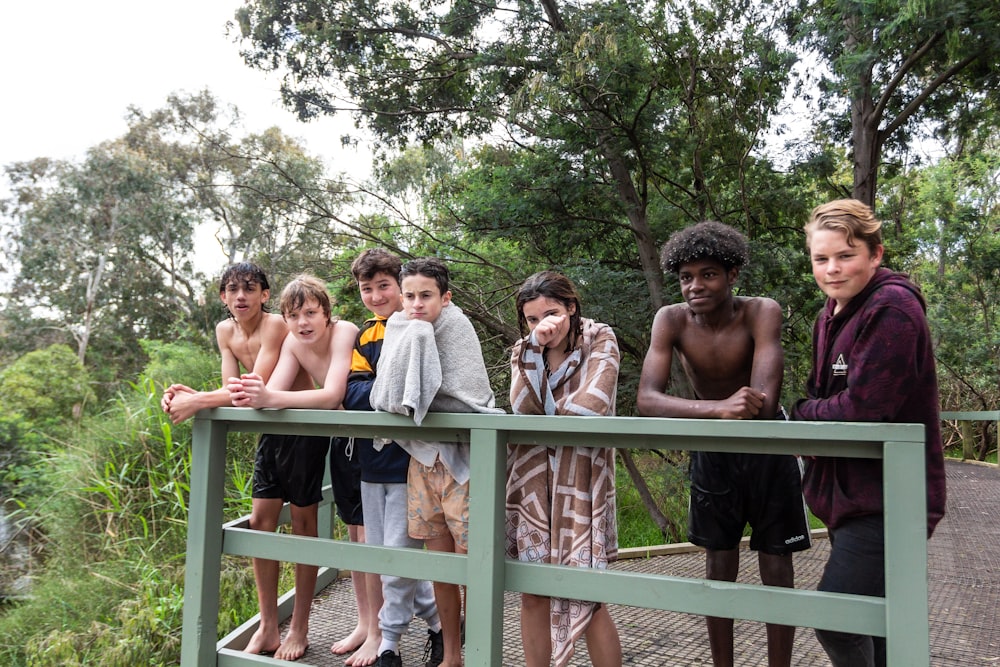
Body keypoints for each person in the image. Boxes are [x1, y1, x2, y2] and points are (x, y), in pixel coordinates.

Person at [635, 221, 811, 667]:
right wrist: (716, 409)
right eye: (686, 277)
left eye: (708, 274)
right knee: (718, 563)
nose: (695, 286)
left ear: (732, 275)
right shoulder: (670, 319)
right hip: (713, 447)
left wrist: (733, 407)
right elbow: (646, 399)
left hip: (769, 448)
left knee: (777, 563)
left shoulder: (760, 311)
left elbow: (764, 405)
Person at [792, 199, 947, 667]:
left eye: (846, 255)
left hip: (889, 500)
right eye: (822, 259)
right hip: (848, 497)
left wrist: (801, 413)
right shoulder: (832, 312)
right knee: (877, 623)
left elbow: (865, 409)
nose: (833, 269)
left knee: (837, 619)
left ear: (875, 253)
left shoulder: (893, 309)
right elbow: (831, 395)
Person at [370, 257, 503, 667]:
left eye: (425, 295)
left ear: (445, 297)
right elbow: (387, 392)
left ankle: (481, 652)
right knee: (440, 563)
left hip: (464, 459)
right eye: (408, 296)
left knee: (472, 561)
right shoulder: (401, 328)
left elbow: (464, 392)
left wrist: (423, 337)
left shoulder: (455, 326)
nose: (415, 304)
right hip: (423, 460)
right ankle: (453, 655)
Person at [227, 274, 360, 662]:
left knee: (307, 525)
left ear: (327, 313)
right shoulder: (290, 341)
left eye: (311, 313)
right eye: (294, 315)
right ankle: (268, 626)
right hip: (281, 434)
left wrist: (270, 396)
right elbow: (272, 394)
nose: (303, 322)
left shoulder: (344, 331)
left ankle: (299, 627)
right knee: (259, 521)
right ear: (284, 318)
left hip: (331, 434)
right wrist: (258, 396)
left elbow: (333, 393)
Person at [506, 271, 623, 667]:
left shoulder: (600, 337)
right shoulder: (524, 350)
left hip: (582, 480)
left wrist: (550, 415)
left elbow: (594, 403)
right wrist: (534, 351)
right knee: (532, 591)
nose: (543, 325)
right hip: (534, 485)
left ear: (572, 308)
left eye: (551, 314)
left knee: (587, 594)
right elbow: (521, 408)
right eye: (533, 319)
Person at [341, 249, 444, 667]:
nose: (377, 296)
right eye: (368, 289)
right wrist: (391, 390)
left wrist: (389, 393)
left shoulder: (423, 326)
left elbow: (427, 390)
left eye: (385, 287)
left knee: (396, 555)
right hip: (370, 461)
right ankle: (439, 623)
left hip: (411, 463)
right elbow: (352, 393)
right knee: (385, 553)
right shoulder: (366, 337)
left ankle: (388, 643)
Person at [160, 262, 288, 424]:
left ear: (264, 295)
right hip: (270, 423)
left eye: (249, 289)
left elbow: (253, 391)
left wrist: (195, 400)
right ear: (224, 297)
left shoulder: (275, 325)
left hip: (303, 419)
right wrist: (185, 396)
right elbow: (229, 390)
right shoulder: (224, 330)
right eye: (233, 289)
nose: (240, 296)